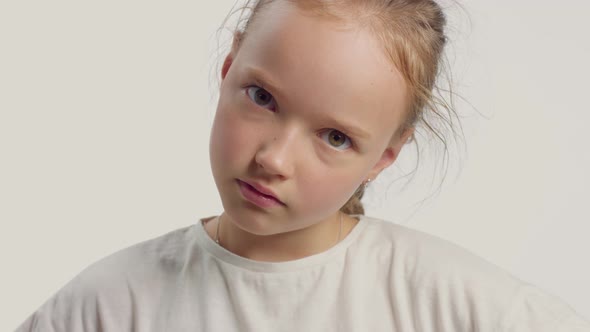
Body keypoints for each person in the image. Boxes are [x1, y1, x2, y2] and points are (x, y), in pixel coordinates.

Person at [15, 0, 590, 331]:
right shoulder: (104, 307)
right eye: (262, 97)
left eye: (335, 137)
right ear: (230, 63)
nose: (273, 159)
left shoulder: (466, 309)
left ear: (385, 156)